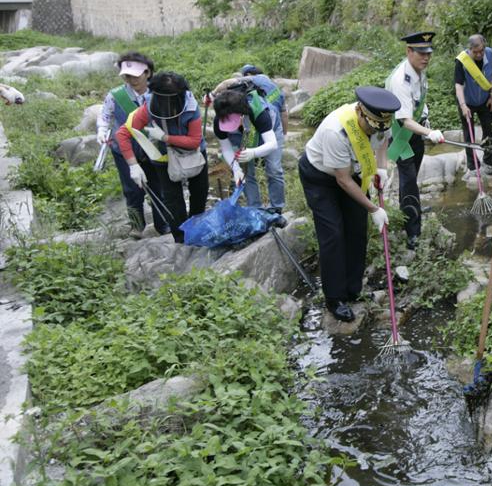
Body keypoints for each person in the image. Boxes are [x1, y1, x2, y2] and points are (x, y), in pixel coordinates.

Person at [299, 87, 398, 322]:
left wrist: (381, 167)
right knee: (332, 233)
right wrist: (373, 208)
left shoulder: (380, 119)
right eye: (372, 126)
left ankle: (353, 290)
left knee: (356, 229)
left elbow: (383, 140)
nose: (377, 130)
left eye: (380, 126)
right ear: (361, 113)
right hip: (320, 177)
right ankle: (334, 299)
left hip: (352, 173)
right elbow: (342, 180)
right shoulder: (338, 130)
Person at [115, 71, 209, 244]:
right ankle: (182, 240)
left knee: (199, 192)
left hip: (194, 155)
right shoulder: (148, 106)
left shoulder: (190, 106)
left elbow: (194, 141)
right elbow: (123, 134)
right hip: (162, 157)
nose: (166, 106)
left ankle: (197, 231)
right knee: (172, 200)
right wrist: (133, 165)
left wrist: (165, 138)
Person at [97, 52, 168, 239]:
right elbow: (105, 118)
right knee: (132, 189)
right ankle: (137, 227)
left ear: (148, 73)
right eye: (128, 76)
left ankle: (163, 225)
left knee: (158, 186)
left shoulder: (159, 93)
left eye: (136, 75)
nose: (132, 80)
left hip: (153, 148)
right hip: (125, 149)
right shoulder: (115, 96)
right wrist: (102, 132)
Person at [386, 31, 445, 250]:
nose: (426, 57)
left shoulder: (418, 71)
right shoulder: (402, 79)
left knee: (411, 180)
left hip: (416, 133)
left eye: (428, 53)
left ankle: (411, 210)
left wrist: (426, 120)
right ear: (409, 51)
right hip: (401, 136)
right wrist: (429, 133)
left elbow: (419, 100)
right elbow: (404, 120)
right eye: (421, 53)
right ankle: (413, 233)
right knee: (409, 181)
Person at [210, 64, 286, 212]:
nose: (227, 124)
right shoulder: (218, 121)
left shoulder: (258, 112)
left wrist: (253, 153)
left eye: (231, 121)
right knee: (246, 174)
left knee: (274, 170)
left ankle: (276, 207)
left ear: (242, 115)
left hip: (270, 131)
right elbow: (226, 148)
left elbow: (272, 144)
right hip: (241, 137)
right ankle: (255, 209)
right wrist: (236, 168)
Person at [454, 34, 492, 175]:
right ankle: (473, 167)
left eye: (481, 51)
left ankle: (488, 163)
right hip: (467, 101)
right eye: (475, 52)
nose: (479, 54)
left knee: (488, 131)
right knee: (469, 134)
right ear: (469, 49)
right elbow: (458, 85)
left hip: (485, 99)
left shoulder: (490, 54)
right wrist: (463, 106)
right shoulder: (462, 61)